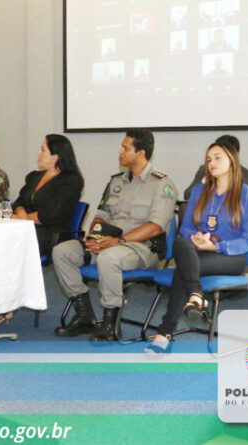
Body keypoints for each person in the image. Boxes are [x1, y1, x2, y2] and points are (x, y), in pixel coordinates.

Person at [52, 129, 177, 341]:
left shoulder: (162, 184)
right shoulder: (116, 182)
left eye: (125, 147)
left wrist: (118, 241)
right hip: (109, 243)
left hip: (141, 249)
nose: (120, 151)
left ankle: (110, 324)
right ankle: (85, 316)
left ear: (141, 152)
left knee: (110, 258)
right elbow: (101, 215)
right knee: (61, 251)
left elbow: (156, 226)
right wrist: (95, 236)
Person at [147, 141, 248, 354]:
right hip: (198, 253)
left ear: (232, 160)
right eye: (209, 159)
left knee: (184, 266)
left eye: (218, 157)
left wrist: (216, 246)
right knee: (182, 243)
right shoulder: (200, 191)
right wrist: (198, 238)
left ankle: (166, 331)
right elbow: (187, 227)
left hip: (231, 257)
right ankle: (195, 296)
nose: (212, 162)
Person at [11, 134, 84, 256]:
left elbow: (52, 215)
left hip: (50, 233)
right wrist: (20, 212)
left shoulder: (70, 181)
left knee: (8, 241)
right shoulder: (35, 177)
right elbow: (18, 203)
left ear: (55, 157)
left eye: (43, 150)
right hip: (25, 227)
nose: (38, 153)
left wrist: (24, 219)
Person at [183, 135, 248, 200]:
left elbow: (241, 203)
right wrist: (204, 180)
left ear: (235, 155)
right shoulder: (205, 170)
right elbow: (187, 196)